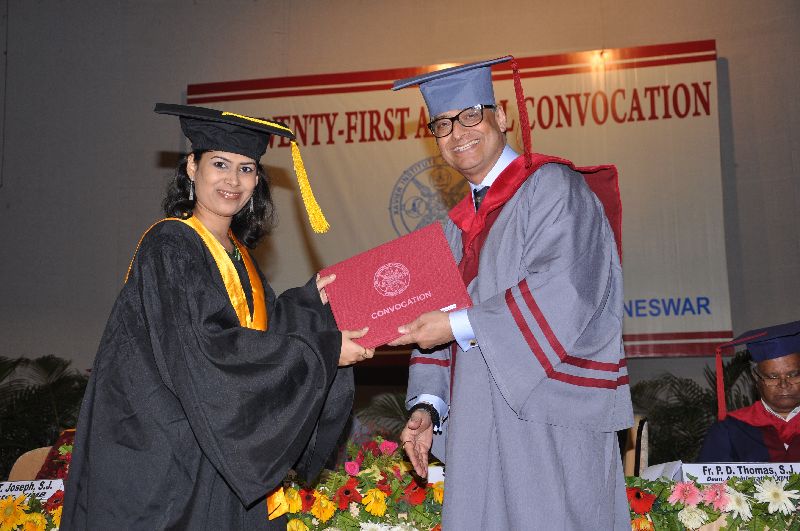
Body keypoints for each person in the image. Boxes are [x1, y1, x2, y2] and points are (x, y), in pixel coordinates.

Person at [61, 104, 375, 530]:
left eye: (246, 169)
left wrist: (312, 304)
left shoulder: (238, 254)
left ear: (257, 180)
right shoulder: (171, 246)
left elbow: (260, 331)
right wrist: (323, 351)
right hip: (165, 456)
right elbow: (208, 348)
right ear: (192, 167)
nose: (233, 181)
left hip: (209, 446)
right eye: (220, 164)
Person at [389, 57, 633, 529]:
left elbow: (565, 287)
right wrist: (427, 406)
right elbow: (431, 318)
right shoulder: (453, 227)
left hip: (547, 411)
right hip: (475, 419)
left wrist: (456, 324)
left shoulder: (553, 188)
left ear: (501, 117)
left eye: (470, 115)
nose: (458, 133)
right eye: (442, 124)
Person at [698, 320, 800, 462]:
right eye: (772, 377)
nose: (784, 384)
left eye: (793, 375)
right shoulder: (730, 429)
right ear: (756, 378)